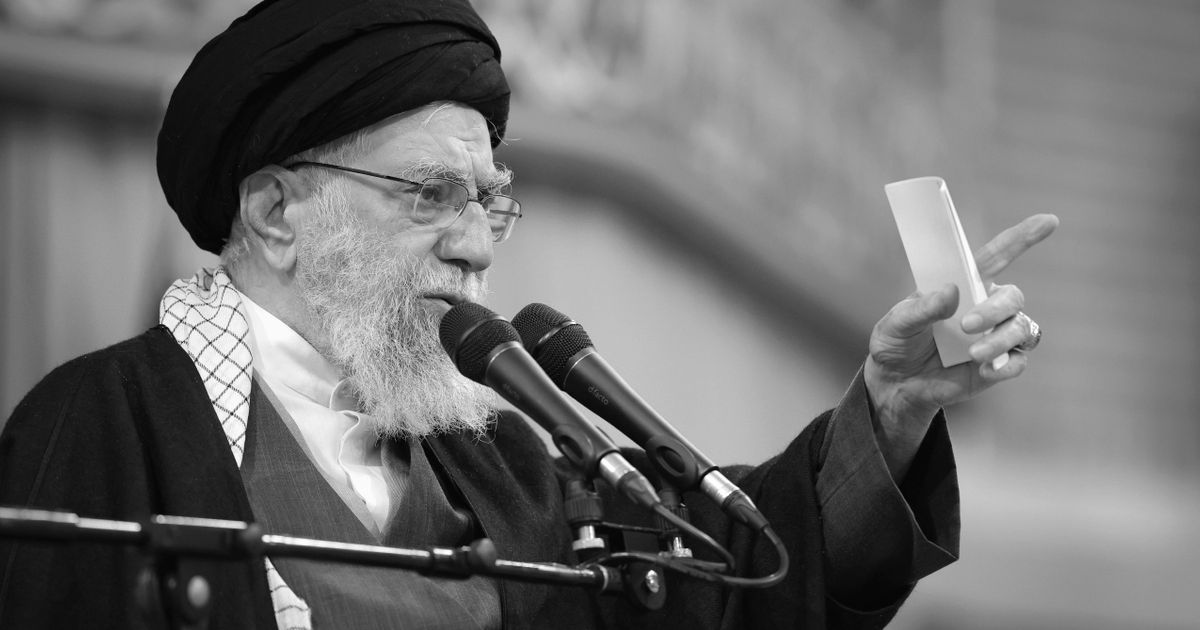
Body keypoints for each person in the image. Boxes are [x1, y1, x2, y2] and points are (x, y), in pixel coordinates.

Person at [0, 0, 1056, 628]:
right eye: (431, 195)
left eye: (490, 201)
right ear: (277, 213)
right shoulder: (100, 430)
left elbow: (734, 589)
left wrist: (892, 409)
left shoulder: (502, 462)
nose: (476, 243)